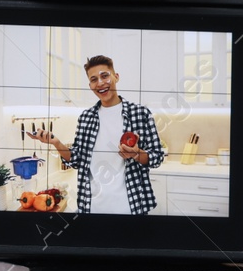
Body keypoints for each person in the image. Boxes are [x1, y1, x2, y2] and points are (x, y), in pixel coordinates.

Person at [33, 55, 164, 214]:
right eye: (94, 79)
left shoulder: (140, 113)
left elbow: (156, 157)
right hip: (92, 208)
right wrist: (56, 143)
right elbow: (76, 159)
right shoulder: (86, 117)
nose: (100, 83)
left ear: (116, 77)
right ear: (90, 85)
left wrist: (137, 154)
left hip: (130, 207)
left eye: (105, 76)